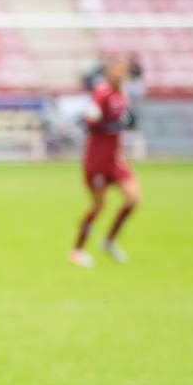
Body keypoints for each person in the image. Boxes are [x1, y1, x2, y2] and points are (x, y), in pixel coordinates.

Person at [71, 56, 141, 267]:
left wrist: (123, 123)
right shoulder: (102, 93)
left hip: (115, 159)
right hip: (97, 160)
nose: (120, 74)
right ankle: (77, 249)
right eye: (116, 69)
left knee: (133, 199)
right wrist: (103, 123)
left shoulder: (122, 94)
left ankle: (108, 241)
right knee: (99, 206)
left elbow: (121, 121)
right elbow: (88, 120)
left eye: (123, 70)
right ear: (108, 71)